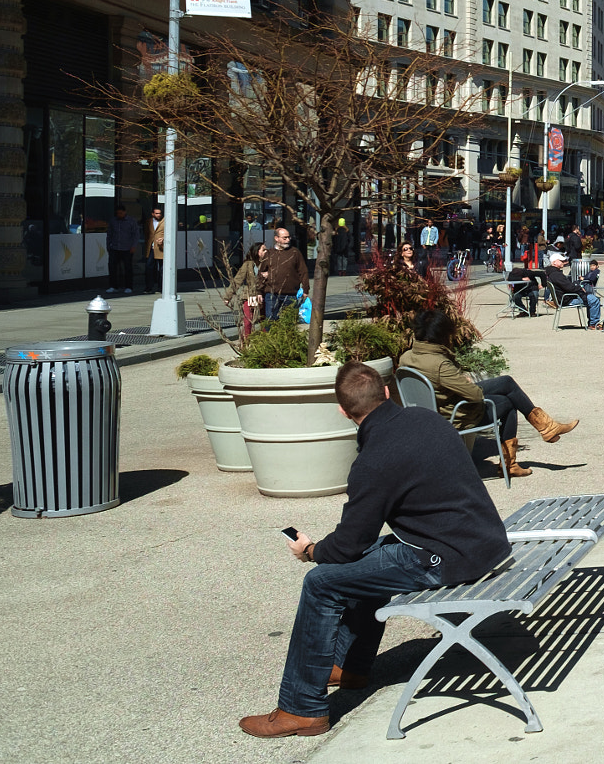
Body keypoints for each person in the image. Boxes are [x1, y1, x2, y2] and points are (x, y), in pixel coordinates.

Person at [239, 361, 511, 739]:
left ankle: (301, 708)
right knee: (370, 562)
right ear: (386, 392)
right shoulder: (425, 418)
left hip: (448, 557)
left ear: (343, 410)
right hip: (481, 541)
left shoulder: (373, 459)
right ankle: (351, 666)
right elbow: (360, 546)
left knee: (321, 583)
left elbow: (350, 543)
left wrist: (312, 550)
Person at [397, 310, 576, 479]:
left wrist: (459, 382)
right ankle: (517, 457)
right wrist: (464, 382)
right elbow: (475, 396)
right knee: (509, 399)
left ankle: (545, 429)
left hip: (431, 413)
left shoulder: (406, 357)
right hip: (455, 416)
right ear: (442, 335)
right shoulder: (439, 364)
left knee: (507, 385)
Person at [261, 226, 308, 321]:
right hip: (272, 293)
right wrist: (258, 292)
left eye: (288, 237)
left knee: (289, 321)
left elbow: (303, 271)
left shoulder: (295, 252)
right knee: (270, 320)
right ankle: (272, 336)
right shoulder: (269, 254)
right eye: (284, 238)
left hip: (290, 293)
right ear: (276, 238)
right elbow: (260, 273)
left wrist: (305, 289)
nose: (288, 240)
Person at [225, 244, 268, 328]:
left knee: (264, 321)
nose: (266, 252)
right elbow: (237, 280)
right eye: (263, 250)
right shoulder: (248, 264)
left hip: (264, 295)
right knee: (248, 321)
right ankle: (246, 340)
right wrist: (227, 297)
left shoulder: (268, 264)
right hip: (249, 295)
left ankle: (264, 339)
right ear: (257, 252)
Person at [105, 203, 142, 295]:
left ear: (124, 212)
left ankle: (128, 286)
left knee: (128, 268)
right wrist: (108, 246)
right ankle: (113, 286)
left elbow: (136, 234)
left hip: (127, 248)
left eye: (121, 213)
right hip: (115, 247)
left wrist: (133, 246)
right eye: (118, 213)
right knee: (113, 268)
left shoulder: (131, 221)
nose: (119, 215)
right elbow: (109, 234)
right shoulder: (113, 221)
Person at [145, 206, 167, 292]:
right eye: (156, 213)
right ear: (153, 214)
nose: (158, 215)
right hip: (150, 248)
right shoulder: (148, 222)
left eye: (160, 213)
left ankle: (161, 287)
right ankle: (149, 287)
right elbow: (147, 234)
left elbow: (170, 233)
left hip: (161, 248)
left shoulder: (165, 221)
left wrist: (164, 239)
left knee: (162, 268)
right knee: (149, 267)